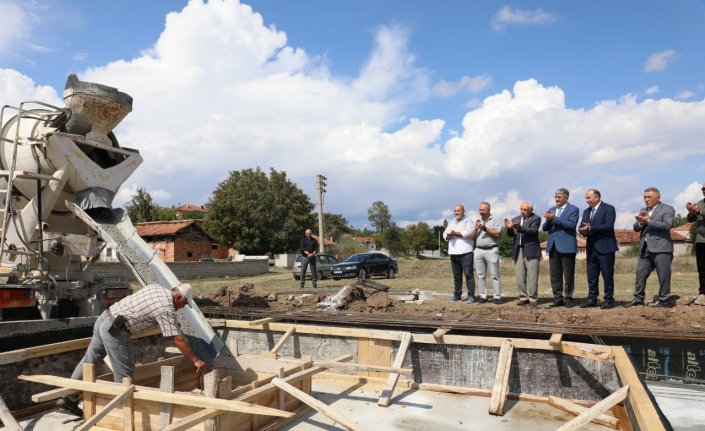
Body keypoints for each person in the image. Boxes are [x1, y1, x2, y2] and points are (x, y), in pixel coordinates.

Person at [56, 284, 206, 416]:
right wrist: (196, 360)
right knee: (125, 377)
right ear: (178, 296)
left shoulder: (156, 288)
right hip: (116, 330)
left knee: (89, 360)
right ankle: (120, 413)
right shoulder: (165, 308)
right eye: (184, 304)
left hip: (105, 318)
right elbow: (177, 338)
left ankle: (68, 398)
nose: (182, 308)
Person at [625, 187, 675, 308]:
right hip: (645, 248)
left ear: (658, 198)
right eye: (645, 197)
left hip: (661, 248)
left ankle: (664, 300)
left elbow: (667, 225)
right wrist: (641, 222)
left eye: (649, 197)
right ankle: (638, 299)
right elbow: (636, 227)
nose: (646, 199)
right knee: (640, 274)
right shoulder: (643, 210)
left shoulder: (668, 209)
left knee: (663, 276)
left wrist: (648, 221)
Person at [578, 189, 619, 309]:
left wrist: (590, 228)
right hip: (591, 248)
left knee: (607, 276)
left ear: (597, 197)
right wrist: (582, 231)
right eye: (586, 198)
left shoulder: (608, 208)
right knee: (591, 276)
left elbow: (608, 226)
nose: (587, 200)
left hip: (605, 248)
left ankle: (608, 300)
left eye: (588, 198)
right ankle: (592, 299)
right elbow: (582, 226)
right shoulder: (586, 211)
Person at [542, 188, 579, 308]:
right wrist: (548, 219)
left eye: (559, 197)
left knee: (568, 274)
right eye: (555, 197)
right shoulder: (551, 210)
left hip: (567, 246)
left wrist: (555, 219)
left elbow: (571, 225)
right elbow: (545, 228)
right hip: (553, 246)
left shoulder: (573, 209)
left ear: (566, 198)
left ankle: (568, 298)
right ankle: (557, 298)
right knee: (555, 274)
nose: (556, 199)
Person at [505, 201, 541, 307]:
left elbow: (532, 231)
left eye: (525, 209)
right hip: (518, 250)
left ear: (531, 210)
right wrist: (509, 228)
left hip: (531, 250)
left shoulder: (536, 218)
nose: (523, 211)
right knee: (520, 276)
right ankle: (523, 297)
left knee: (532, 276)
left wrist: (520, 228)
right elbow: (511, 235)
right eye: (521, 209)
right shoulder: (515, 219)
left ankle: (533, 299)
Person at [444, 204, 476, 303]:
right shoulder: (452, 222)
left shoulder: (468, 221)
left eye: (459, 211)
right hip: (453, 253)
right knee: (457, 276)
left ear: (463, 211)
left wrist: (455, 233)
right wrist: (448, 236)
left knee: (469, 275)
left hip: (466, 252)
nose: (456, 213)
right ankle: (457, 295)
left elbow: (468, 233)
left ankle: (471, 296)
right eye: (455, 211)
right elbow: (445, 234)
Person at [470, 202, 502, 304]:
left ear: (489, 210)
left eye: (483, 210)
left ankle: (497, 297)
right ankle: (483, 296)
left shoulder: (495, 220)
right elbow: (472, 237)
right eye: (480, 210)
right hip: (479, 250)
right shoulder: (477, 221)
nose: (481, 212)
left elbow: (497, 234)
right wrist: (475, 228)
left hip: (491, 250)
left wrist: (483, 228)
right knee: (480, 275)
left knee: (495, 275)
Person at [686, 182, 705, 306]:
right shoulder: (700, 203)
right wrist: (691, 211)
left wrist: (698, 211)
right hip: (701, 241)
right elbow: (690, 219)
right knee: (703, 270)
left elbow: (700, 213)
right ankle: (703, 293)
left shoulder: (700, 207)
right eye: (703, 189)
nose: (704, 190)